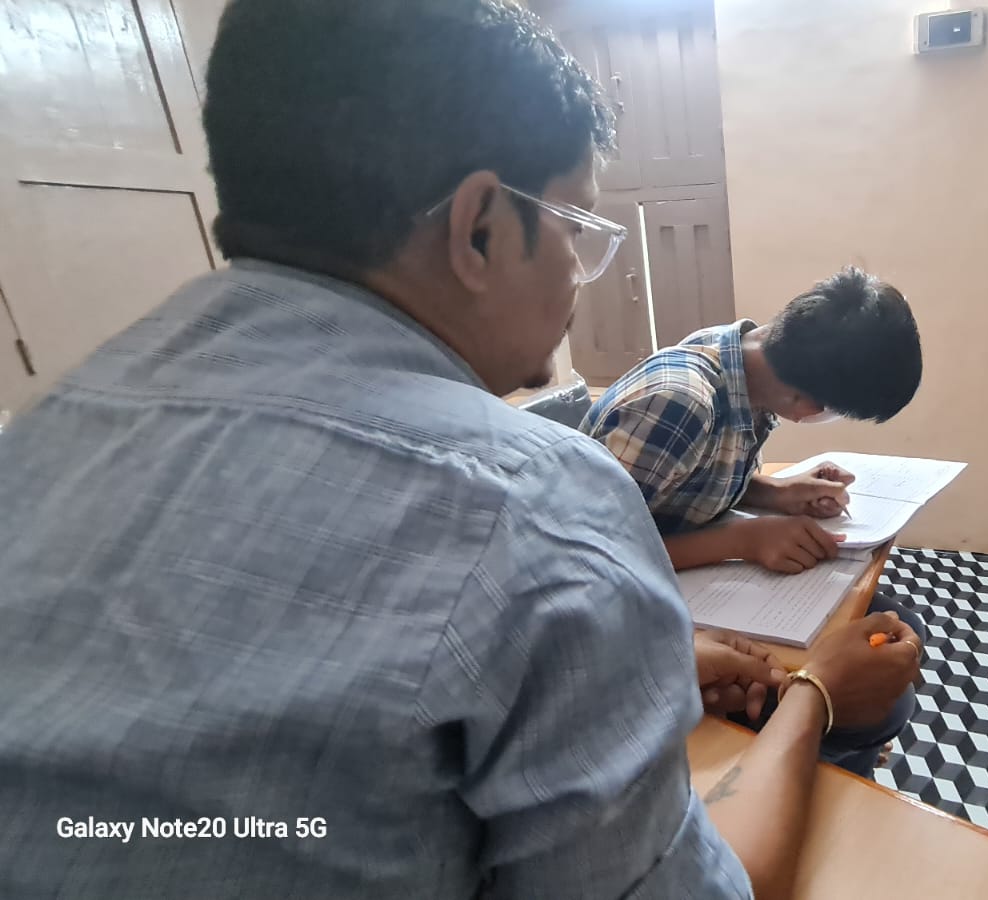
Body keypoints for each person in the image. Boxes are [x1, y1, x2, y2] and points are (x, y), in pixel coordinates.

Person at [0, 2, 920, 898]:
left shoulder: (44, 432)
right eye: (577, 229)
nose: (579, 274)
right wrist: (818, 693)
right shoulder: (546, 508)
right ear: (480, 227)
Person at [582, 270, 926, 775]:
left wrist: (777, 493)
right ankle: (811, 774)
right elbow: (587, 552)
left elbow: (689, 475)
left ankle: (840, 756)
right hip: (621, 609)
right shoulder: (681, 401)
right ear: (808, 407)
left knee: (899, 628)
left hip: (684, 575)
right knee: (880, 704)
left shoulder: (743, 359)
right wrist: (742, 539)